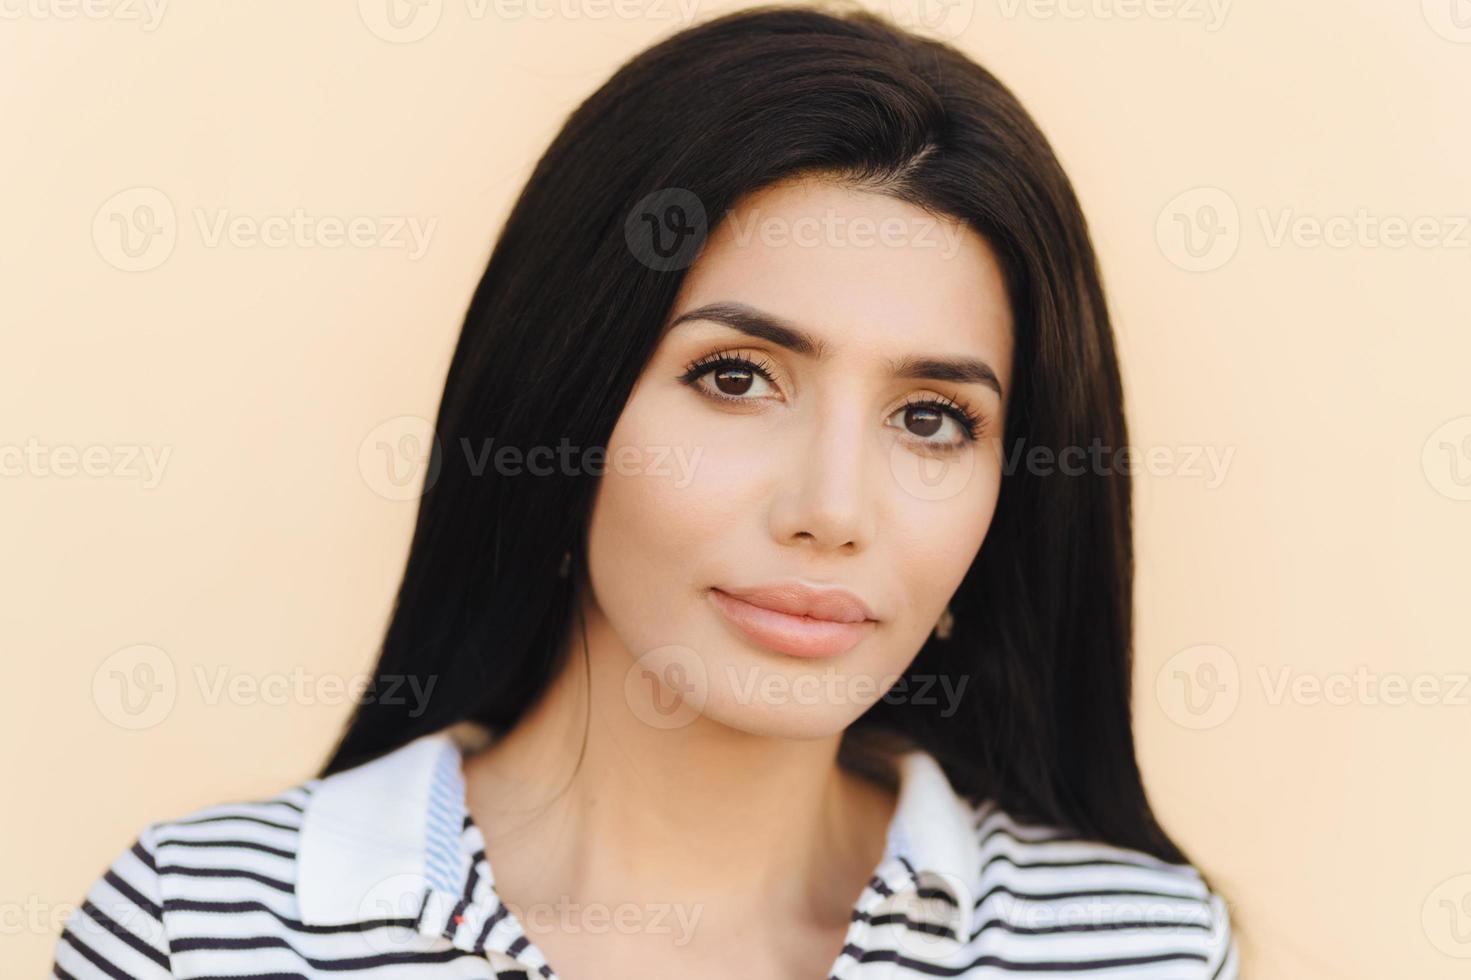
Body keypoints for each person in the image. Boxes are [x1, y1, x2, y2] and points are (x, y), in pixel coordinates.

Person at [52, 5, 1239, 977]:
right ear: (562, 401)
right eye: (735, 377)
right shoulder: (200, 929)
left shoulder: (1140, 948)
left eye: (931, 419)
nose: (831, 506)